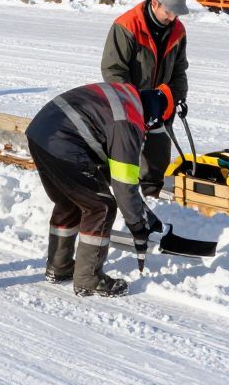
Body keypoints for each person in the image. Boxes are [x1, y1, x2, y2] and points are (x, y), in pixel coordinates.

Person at [26, 81, 171, 297]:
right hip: (63, 143)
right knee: (101, 207)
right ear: (152, 118)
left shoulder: (124, 96)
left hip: (40, 133)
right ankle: (88, 278)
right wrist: (138, 225)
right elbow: (123, 185)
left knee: (70, 201)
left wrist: (143, 213)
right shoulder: (129, 122)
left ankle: (59, 266)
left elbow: (108, 171)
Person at [101, 0, 190, 197]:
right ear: (155, 3)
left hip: (160, 101)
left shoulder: (177, 30)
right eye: (168, 12)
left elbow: (179, 70)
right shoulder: (127, 25)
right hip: (129, 100)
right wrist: (134, 100)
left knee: (158, 147)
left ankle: (152, 194)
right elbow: (113, 69)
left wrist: (177, 97)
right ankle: (120, 193)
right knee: (125, 149)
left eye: (176, 14)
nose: (172, 18)